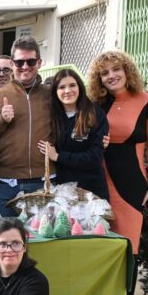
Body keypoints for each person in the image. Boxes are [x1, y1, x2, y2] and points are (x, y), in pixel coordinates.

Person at [87, 50, 148, 295]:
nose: (111, 76)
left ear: (127, 70)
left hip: (132, 188)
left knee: (128, 251)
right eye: (104, 72)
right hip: (96, 186)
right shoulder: (96, 104)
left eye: (116, 69)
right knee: (98, 248)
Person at [0, 36, 53, 216]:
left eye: (31, 61)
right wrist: (1, 120)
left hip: (43, 181)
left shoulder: (51, 95)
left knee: (43, 240)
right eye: (19, 62)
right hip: (5, 184)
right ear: (12, 63)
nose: (25, 67)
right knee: (4, 238)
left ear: (39, 62)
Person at [37, 68, 109, 199]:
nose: (67, 91)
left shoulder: (95, 114)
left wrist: (58, 156)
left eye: (72, 85)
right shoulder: (51, 116)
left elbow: (94, 158)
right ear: (55, 91)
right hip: (61, 192)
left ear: (80, 87)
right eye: (62, 87)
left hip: (91, 192)